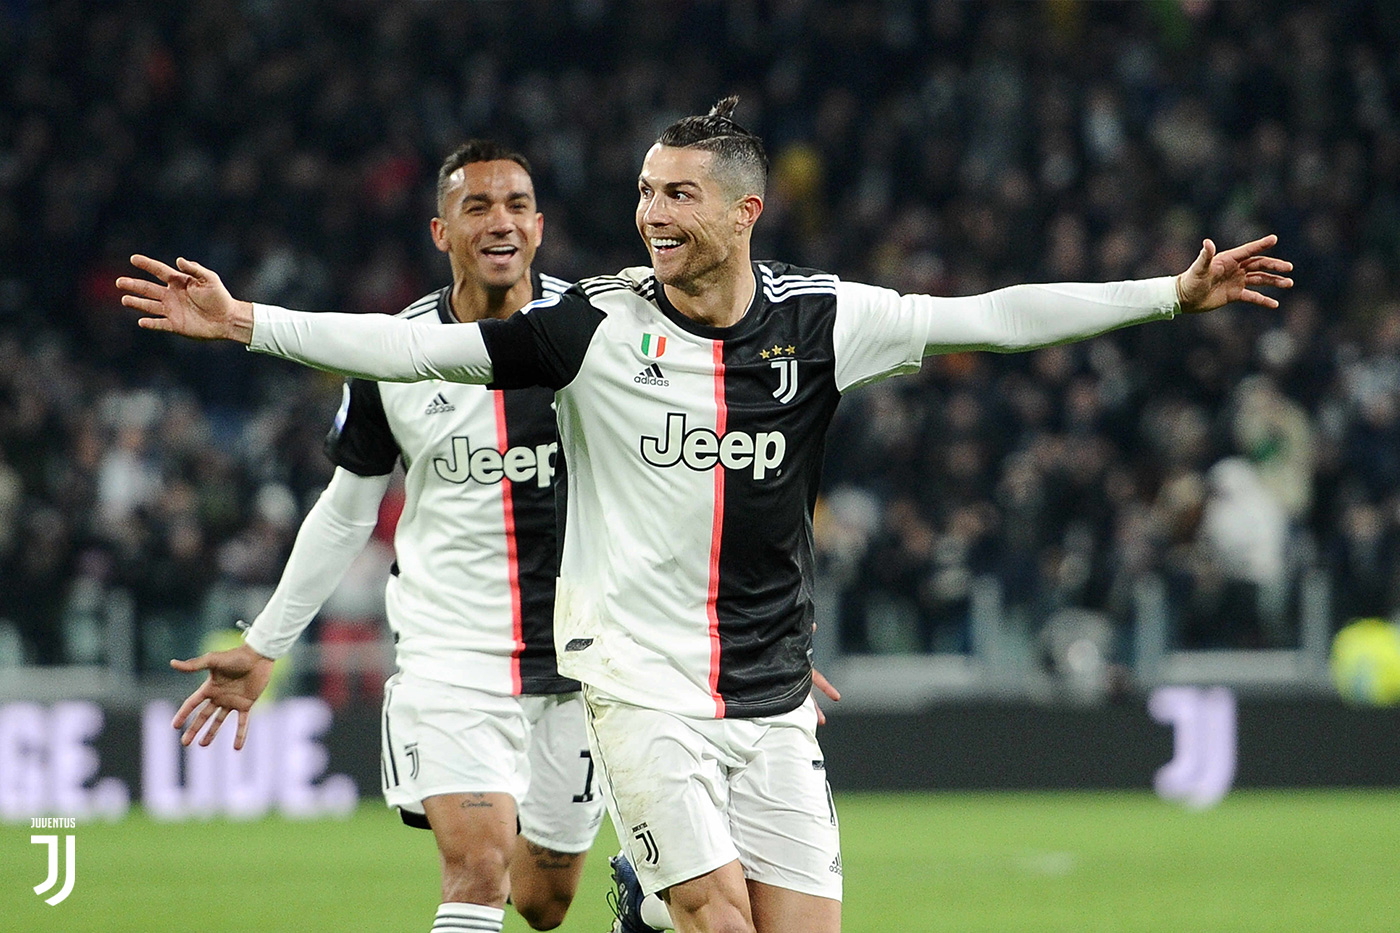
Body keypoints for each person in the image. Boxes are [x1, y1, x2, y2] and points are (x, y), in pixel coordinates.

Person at [119, 97, 1293, 933]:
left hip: (766, 689)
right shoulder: (593, 326)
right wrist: (249, 324)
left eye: (676, 194)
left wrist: (1167, 295)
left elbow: (990, 316)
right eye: (642, 193)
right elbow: (410, 350)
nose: (649, 214)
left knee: (624, 909)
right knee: (690, 914)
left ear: (743, 211)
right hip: (630, 682)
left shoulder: (825, 322)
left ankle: (642, 908)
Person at [163, 140, 604, 933]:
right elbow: (346, 510)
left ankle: (631, 895)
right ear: (441, 231)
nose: (500, 222)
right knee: (477, 868)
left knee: (545, 901)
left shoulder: (599, 335)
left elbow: (682, 477)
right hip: (451, 654)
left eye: (516, 206)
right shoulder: (392, 353)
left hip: (581, 656)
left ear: (540, 227)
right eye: (476, 206)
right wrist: (266, 643)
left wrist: (755, 629)